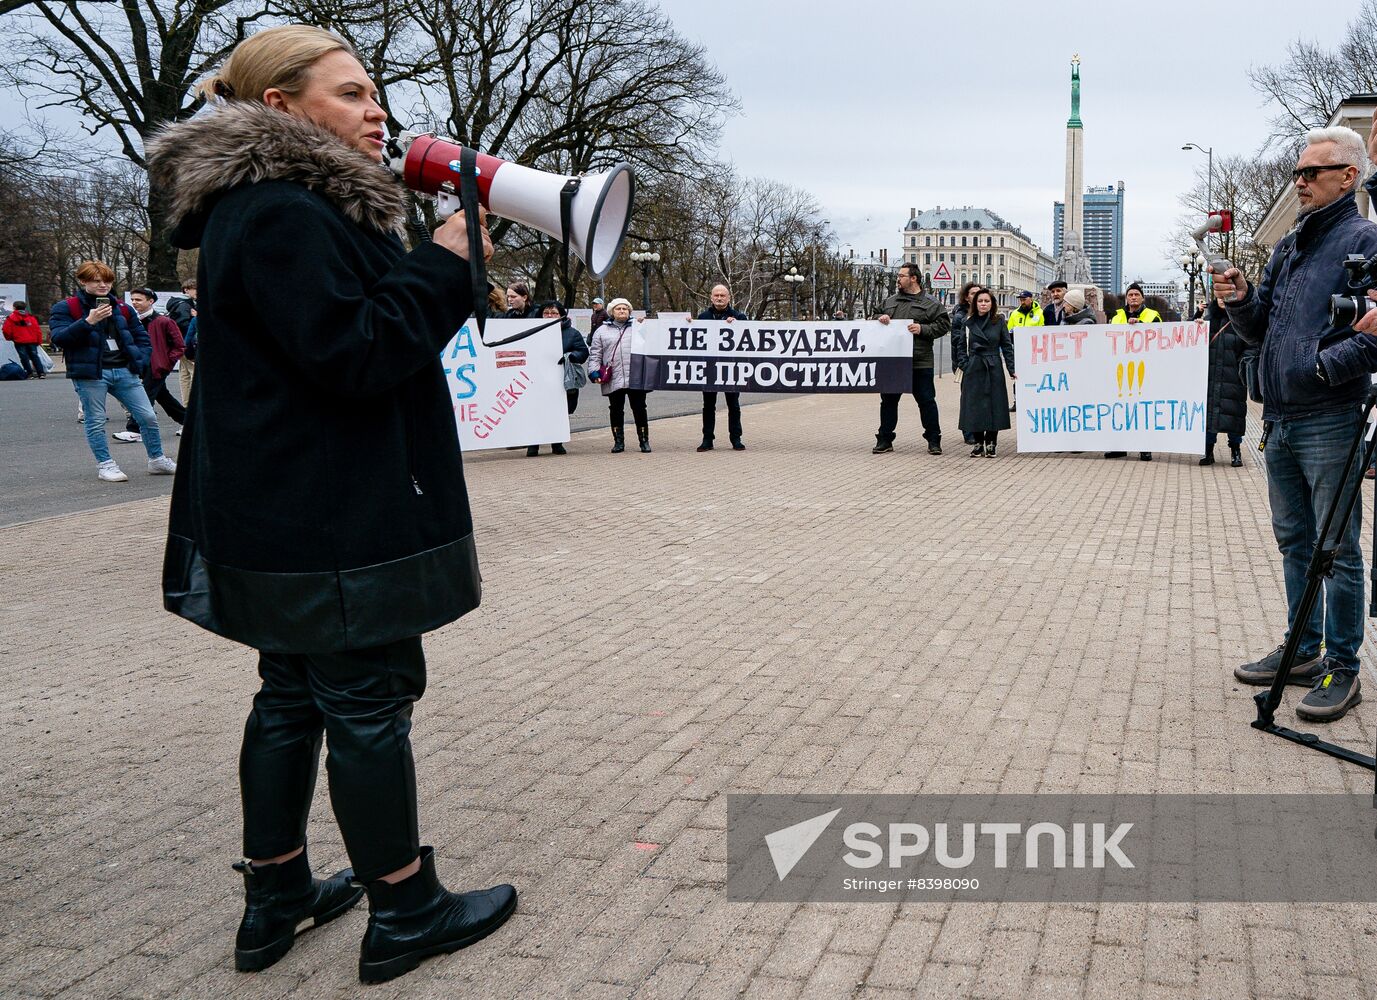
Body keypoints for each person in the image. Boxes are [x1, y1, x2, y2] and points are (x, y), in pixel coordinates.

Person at [147, 24, 517, 982]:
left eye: (375, 93)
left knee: (290, 696)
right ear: (281, 107)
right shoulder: (281, 211)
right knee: (365, 699)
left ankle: (274, 901)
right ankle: (405, 909)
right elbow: (355, 353)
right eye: (351, 94)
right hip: (330, 515)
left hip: (284, 508)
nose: (376, 109)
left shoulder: (267, 206)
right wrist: (442, 259)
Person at [1215, 124, 1377, 723]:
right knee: (1294, 541)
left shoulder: (1366, 241)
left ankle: (1342, 666)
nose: (1300, 181)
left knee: (1336, 547)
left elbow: (1374, 337)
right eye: (1297, 172)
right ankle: (1303, 648)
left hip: (1330, 417)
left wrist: (1317, 368)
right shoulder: (1289, 246)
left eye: (1312, 172)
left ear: (1348, 177)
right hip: (1280, 419)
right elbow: (1260, 328)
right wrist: (1240, 298)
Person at [49, 260, 176, 483]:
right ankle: (105, 464)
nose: (103, 285)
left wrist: (139, 361)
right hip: (91, 373)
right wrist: (88, 321)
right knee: (95, 420)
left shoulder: (123, 308)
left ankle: (157, 459)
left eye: (107, 281)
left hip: (124, 371)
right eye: (96, 281)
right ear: (82, 281)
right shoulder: (67, 307)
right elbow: (59, 339)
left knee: (147, 416)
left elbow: (141, 338)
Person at [872, 262, 951, 455]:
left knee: (926, 401)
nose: (898, 279)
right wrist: (879, 318)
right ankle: (885, 439)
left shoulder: (931, 303)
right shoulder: (889, 302)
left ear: (913, 278)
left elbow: (943, 325)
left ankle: (934, 439)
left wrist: (923, 329)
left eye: (901, 276)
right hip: (893, 362)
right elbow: (874, 317)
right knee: (888, 402)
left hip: (920, 361)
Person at [114, 288, 187, 443]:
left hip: (157, 367)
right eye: (133, 299)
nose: (134, 302)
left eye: (138, 300)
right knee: (163, 397)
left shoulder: (164, 321)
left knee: (144, 397)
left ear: (151, 301)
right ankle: (188, 422)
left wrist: (166, 363)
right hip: (139, 365)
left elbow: (179, 346)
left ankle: (134, 429)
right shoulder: (131, 321)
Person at [952, 288, 1015, 456]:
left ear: (992, 303)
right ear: (974, 303)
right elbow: (960, 346)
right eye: (980, 301)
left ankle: (991, 442)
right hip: (974, 366)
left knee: (995, 405)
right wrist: (965, 365)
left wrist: (1011, 368)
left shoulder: (999, 321)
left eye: (986, 301)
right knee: (974, 405)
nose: (983, 304)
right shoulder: (967, 321)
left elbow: (1007, 346)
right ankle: (978, 442)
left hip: (993, 365)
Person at [527, 299, 588, 456]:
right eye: (546, 313)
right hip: (536, 378)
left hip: (561, 378)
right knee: (535, 411)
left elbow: (583, 352)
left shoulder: (572, 333)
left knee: (559, 411)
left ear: (561, 315)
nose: (549, 316)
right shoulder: (530, 331)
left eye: (554, 313)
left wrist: (571, 356)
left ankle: (557, 443)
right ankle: (533, 444)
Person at [1105, 283, 1158, 461]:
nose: (1133, 297)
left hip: (1145, 368)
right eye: (1130, 295)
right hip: (1121, 368)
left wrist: (1140, 325)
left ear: (1142, 298)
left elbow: (1159, 336)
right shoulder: (1117, 316)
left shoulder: (1153, 316)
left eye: (1136, 294)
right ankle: (1120, 446)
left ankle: (1145, 446)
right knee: (1120, 408)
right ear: (1126, 298)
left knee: (1143, 409)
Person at [587, 297, 649, 452]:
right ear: (611, 312)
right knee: (615, 410)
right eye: (618, 309)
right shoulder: (601, 331)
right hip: (613, 377)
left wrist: (646, 325)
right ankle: (619, 442)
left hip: (636, 376)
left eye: (625, 309)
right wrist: (593, 372)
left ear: (630, 311)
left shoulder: (639, 327)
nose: (622, 311)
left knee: (640, 409)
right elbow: (595, 354)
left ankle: (644, 441)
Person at [694, 284, 747, 451]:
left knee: (734, 405)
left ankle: (736, 438)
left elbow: (747, 337)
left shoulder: (738, 316)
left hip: (731, 367)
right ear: (711, 298)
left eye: (722, 295)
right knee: (708, 405)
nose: (719, 298)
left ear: (728, 298)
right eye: (716, 295)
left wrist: (737, 325)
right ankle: (707, 439)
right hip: (708, 367)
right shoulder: (702, 318)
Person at [1200, 297, 1246, 468]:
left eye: (1226, 296)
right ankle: (1208, 450)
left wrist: (1242, 367)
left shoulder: (1241, 322)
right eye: (1219, 296)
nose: (1222, 300)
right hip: (1210, 376)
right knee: (1209, 415)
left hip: (1233, 376)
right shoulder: (1206, 321)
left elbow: (1249, 346)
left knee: (1234, 414)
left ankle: (1236, 450)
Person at [951, 282, 984, 445]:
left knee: (982, 398)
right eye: (973, 293)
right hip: (967, 364)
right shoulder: (960, 317)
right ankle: (968, 431)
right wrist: (961, 364)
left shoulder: (985, 314)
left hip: (983, 363)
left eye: (979, 293)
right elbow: (957, 342)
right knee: (969, 398)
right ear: (966, 297)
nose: (976, 296)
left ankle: (979, 429)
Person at [1006, 290, 1043, 413]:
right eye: (1020, 299)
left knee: (1035, 377)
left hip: (1036, 351)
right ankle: (1017, 401)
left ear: (1031, 299)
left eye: (1024, 299)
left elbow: (1043, 330)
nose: (1022, 301)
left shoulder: (1039, 313)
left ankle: (1035, 400)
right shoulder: (1015, 314)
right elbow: (1009, 331)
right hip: (1019, 351)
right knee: (1019, 377)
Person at [167, 280, 198, 403]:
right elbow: (183, 324)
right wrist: (195, 318)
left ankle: (186, 404)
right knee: (193, 373)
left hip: (179, 344)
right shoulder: (184, 305)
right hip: (188, 344)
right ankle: (192, 404)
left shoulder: (176, 303)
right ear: (186, 289)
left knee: (184, 374)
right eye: (195, 289)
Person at [3, 300, 45, 378]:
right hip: (32, 341)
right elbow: (37, 330)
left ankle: (29, 373)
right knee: (35, 357)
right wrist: (39, 341)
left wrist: (10, 338)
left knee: (24, 358)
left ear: (14, 308)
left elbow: (6, 330)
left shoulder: (11, 318)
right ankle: (41, 373)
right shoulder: (31, 317)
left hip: (19, 341)